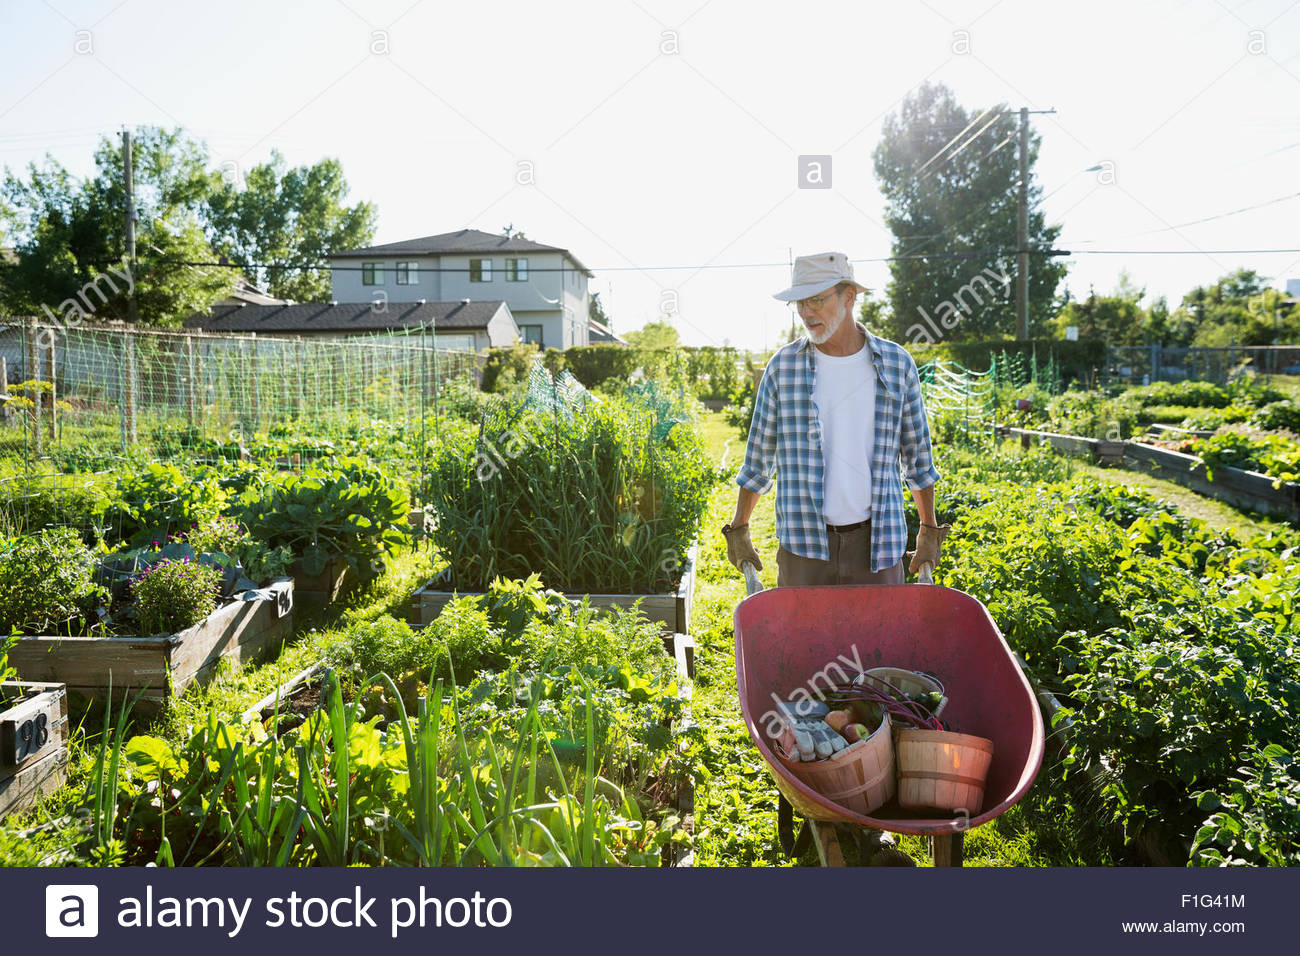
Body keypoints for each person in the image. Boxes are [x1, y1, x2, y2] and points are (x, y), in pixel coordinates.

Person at [723, 251, 949, 587]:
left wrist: (928, 530)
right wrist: (740, 527)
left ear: (849, 296)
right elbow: (757, 460)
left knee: (879, 639)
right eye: (799, 302)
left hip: (878, 547)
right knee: (803, 640)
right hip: (803, 547)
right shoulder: (783, 368)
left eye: (815, 300)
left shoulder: (896, 364)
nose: (805, 312)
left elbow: (918, 460)